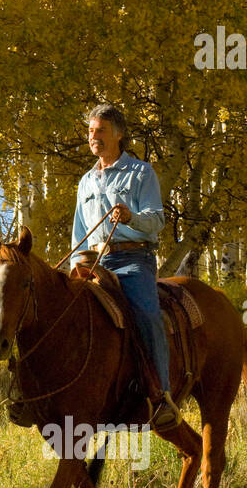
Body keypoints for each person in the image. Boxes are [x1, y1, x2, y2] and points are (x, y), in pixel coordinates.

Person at [71, 104, 180, 430]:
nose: (94, 137)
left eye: (100, 131)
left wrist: (132, 217)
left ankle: (162, 396)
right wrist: (75, 265)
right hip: (95, 263)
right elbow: (78, 232)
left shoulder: (141, 173)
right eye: (91, 131)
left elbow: (157, 220)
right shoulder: (86, 181)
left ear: (118, 134)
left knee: (146, 314)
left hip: (133, 260)